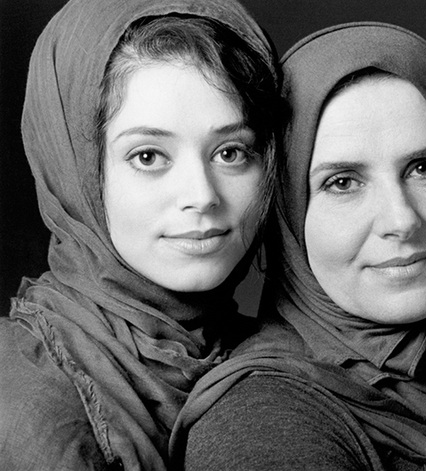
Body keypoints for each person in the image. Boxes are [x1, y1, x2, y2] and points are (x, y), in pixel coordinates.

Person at [171, 23, 426, 470]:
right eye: (343, 182)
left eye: (425, 167)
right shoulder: (263, 422)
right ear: (287, 215)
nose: (402, 220)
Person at [0, 0, 279, 469]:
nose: (202, 195)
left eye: (230, 152)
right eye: (149, 156)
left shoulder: (277, 364)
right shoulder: (21, 400)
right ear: (77, 173)